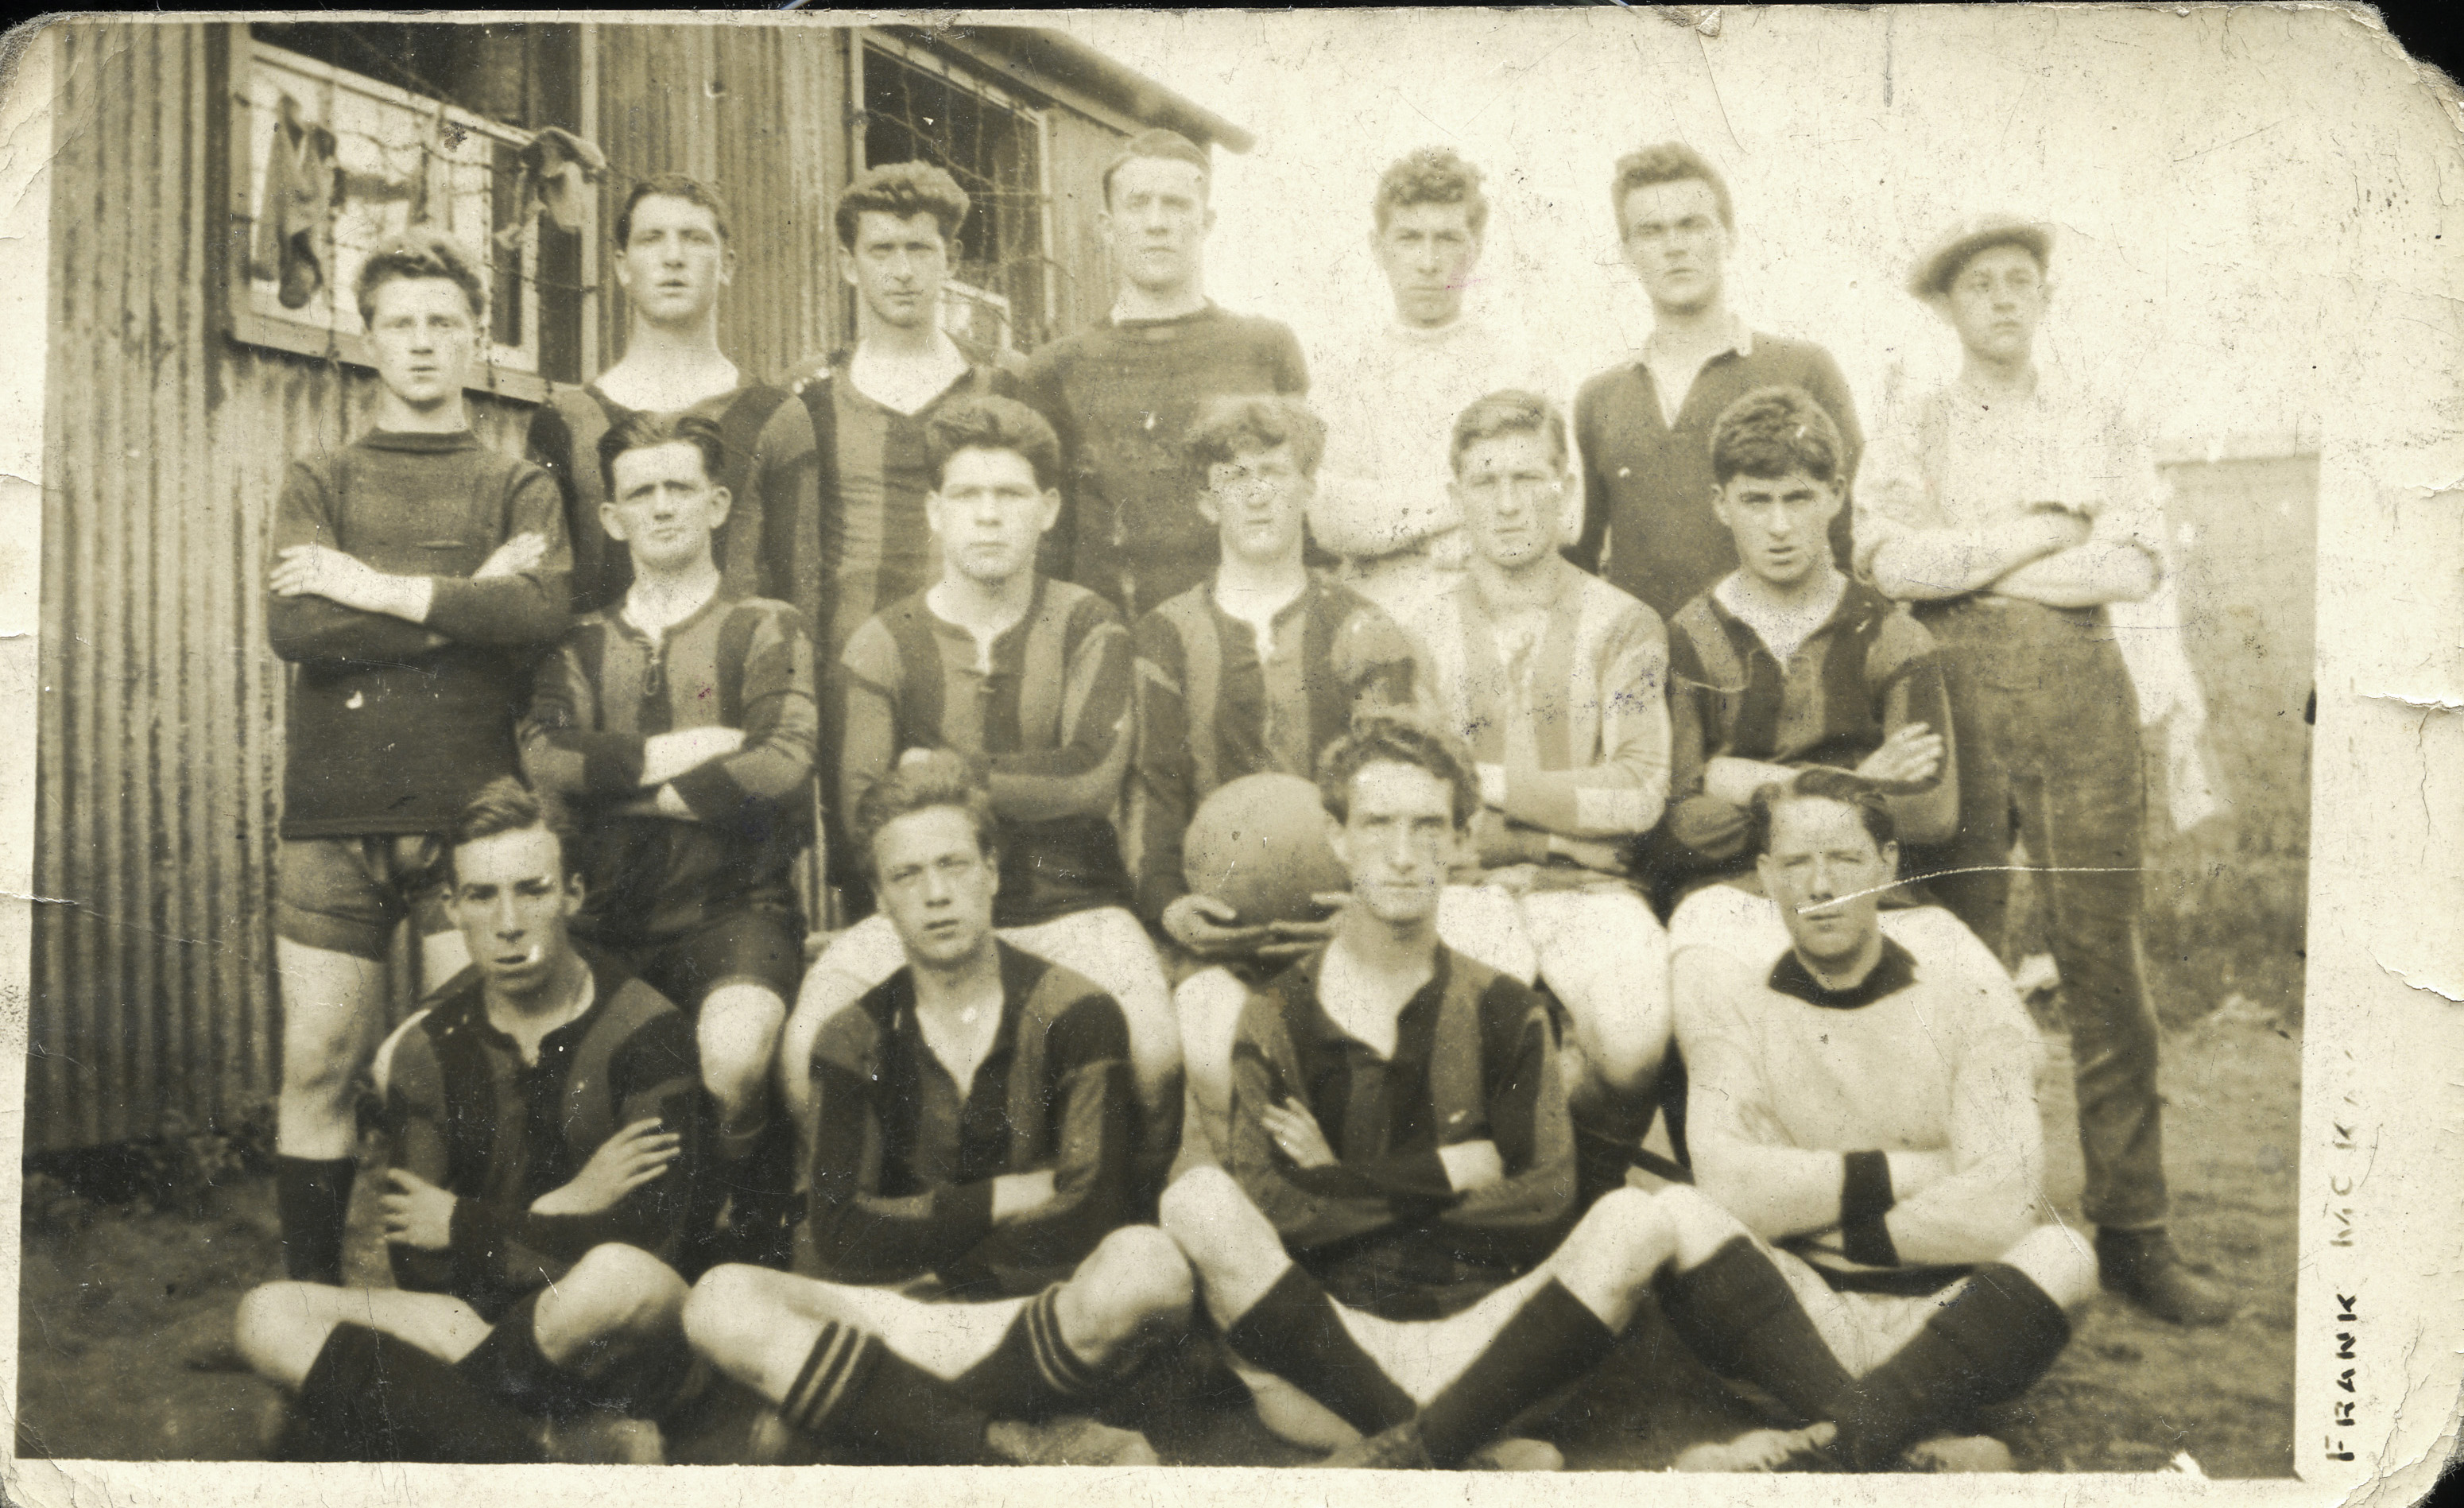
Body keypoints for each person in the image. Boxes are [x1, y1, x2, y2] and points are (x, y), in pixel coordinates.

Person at [1156, 715, 1902, 1472]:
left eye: (1429, 826)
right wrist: (1454, 1172)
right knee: (1199, 1203)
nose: (1405, 853)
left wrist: (1343, 1185)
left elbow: (1543, 1198)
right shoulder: (1276, 1011)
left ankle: (1413, 1446)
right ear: (1338, 838)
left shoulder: (1503, 1008)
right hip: (1328, 1349)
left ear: (1460, 837)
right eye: (1378, 824)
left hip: (1497, 1343)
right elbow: (1271, 1204)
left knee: (1631, 1221)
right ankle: (1447, 1443)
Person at [1854, 215, 2231, 1327]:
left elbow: (2133, 562)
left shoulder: (2098, 418)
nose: (2004, 299)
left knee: (2104, 964)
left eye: (2022, 281)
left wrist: (1979, 564)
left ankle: (2135, 1233)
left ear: (2044, 298)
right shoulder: (1914, 423)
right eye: (1981, 284)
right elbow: (1891, 559)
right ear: (1948, 307)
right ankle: (1965, 1225)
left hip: (2082, 700)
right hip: (1956, 698)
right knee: (1958, 959)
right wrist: (2035, 531)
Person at [680, 753, 1190, 1467]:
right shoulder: (851, 1035)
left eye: (953, 864)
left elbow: (1092, 1212)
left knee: (1149, 1266)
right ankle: (1019, 1443)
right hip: (903, 1313)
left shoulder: (1079, 1011)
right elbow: (840, 1232)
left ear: (993, 872)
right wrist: (1006, 1196)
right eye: (907, 876)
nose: (936, 894)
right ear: (881, 901)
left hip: (1036, 1306)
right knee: (717, 1300)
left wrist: (939, 1263)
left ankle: (870, 1411)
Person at [776, 395, 1181, 1200]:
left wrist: (939, 770)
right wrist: (1017, 782)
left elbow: (1090, 774)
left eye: (1011, 496)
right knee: (802, 1054)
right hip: (920, 912)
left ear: (1048, 509)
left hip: (1073, 907)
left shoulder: (1087, 624)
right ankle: (877, 1222)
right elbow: (864, 810)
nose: (988, 517)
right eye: (967, 496)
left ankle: (1124, 1217)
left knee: (1156, 1050)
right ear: (934, 512)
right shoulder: (882, 640)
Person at [264, 230, 571, 1289]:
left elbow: (535, 612)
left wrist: (373, 586)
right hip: (333, 813)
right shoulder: (321, 475)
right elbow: (298, 631)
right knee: (319, 1062)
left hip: (471, 818)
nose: (425, 341)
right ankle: (309, 1307)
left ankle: (466, 1313)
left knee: (470, 1073)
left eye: (446, 321)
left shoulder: (516, 484)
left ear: (478, 338)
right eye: (402, 321)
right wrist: (459, 607)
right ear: (368, 338)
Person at [235, 779, 702, 1463]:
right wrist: (569, 1204)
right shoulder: (426, 1050)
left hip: (623, 1337)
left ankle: (410, 1415)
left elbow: (657, 1237)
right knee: (267, 1314)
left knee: (613, 1277)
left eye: (532, 889)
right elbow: (420, 1266)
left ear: (573, 894)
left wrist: (465, 1221)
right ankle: (536, 1444)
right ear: (452, 907)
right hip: (475, 1324)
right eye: (482, 895)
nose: (508, 922)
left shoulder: (648, 1027)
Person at [1663, 770, 2103, 1471]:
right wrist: (1926, 1175)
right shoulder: (1739, 1007)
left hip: (1944, 1311)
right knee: (1679, 1213)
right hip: (1798, 1312)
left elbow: (1999, 1212)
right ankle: (1907, 1440)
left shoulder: (1969, 999)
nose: (1821, 885)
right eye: (1798, 863)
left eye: (1844, 858)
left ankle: (1827, 1444)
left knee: (2065, 1254)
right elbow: (1728, 1187)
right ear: (1766, 874)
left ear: (1888, 865)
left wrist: (1818, 1217)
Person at [521, 410, 818, 1271]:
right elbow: (545, 757)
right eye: (639, 492)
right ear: (611, 517)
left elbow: (782, 764)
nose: (661, 508)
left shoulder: (768, 627)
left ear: (717, 503)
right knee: (567, 1081)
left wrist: (621, 792)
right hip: (604, 921)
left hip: (736, 911)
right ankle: (639, 1263)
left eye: (679, 487)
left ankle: (744, 1232)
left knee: (731, 1059)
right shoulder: (577, 640)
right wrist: (681, 754)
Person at [1124, 394, 1427, 1161]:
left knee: (1370, 1079)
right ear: (1205, 500)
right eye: (1234, 475)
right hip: (1217, 932)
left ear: (1307, 488)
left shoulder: (1362, 624)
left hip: (1344, 921)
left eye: (1274, 471)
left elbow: (1394, 789)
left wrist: (1364, 906)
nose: (1256, 491)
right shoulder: (1164, 634)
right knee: (1218, 1061)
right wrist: (1170, 907)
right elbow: (1152, 791)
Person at [1389, 390, 1675, 1202]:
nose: (1508, 503)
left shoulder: (1624, 623)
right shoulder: (1418, 630)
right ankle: (1488, 1216)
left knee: (1631, 1041)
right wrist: (1558, 828)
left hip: (1590, 890)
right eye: (1485, 482)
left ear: (1566, 490)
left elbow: (1636, 793)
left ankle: (1582, 1188)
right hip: (1467, 886)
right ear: (1455, 500)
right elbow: (1416, 808)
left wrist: (1481, 785)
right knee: (1469, 1047)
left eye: (1528, 477)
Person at [1649, 386, 1956, 904]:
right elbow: (1680, 827)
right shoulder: (1690, 637)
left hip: (1870, 898)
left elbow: (1931, 815)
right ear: (1722, 504)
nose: (1779, 527)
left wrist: (1746, 782)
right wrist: (1860, 781)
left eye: (1798, 498)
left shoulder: (1893, 636)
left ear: (1837, 494)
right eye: (1756, 501)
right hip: (1735, 895)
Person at [1024, 129, 1308, 622]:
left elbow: (1300, 515)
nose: (1157, 224)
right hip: (1110, 638)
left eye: (1177, 204)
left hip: (1244, 637)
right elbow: (1047, 544)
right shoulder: (1056, 368)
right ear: (1107, 227)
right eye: (1138, 205)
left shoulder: (1265, 350)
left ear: (1207, 221)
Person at [1570, 144, 1863, 622]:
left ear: (1729, 237)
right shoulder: (1599, 399)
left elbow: (1850, 536)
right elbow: (1580, 558)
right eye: (1651, 231)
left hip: (1774, 663)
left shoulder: (1804, 369)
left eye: (1692, 225)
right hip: (1643, 673)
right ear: (1625, 253)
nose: (1674, 246)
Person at [767, 160, 1029, 676]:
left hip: (980, 667)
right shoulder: (808, 391)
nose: (903, 271)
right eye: (882, 250)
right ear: (849, 264)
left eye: (919, 249)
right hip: (849, 670)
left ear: (950, 259)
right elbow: (788, 558)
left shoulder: (1005, 381)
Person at [524, 173, 812, 616]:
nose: (673, 257)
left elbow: (803, 590)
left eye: (694, 238)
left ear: (728, 265)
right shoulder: (567, 419)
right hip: (600, 677)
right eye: (652, 239)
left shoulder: (776, 415)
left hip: (737, 676)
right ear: (622, 266)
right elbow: (541, 593)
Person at [1307, 147, 1566, 618]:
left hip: (1503, 621)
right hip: (1380, 625)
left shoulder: (1523, 370)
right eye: (1409, 238)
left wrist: (1393, 521)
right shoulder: (1342, 376)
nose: (1428, 262)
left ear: (1476, 247)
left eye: (1447, 238)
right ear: (1377, 247)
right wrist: (1470, 505)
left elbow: (1566, 512)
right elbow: (1330, 518)